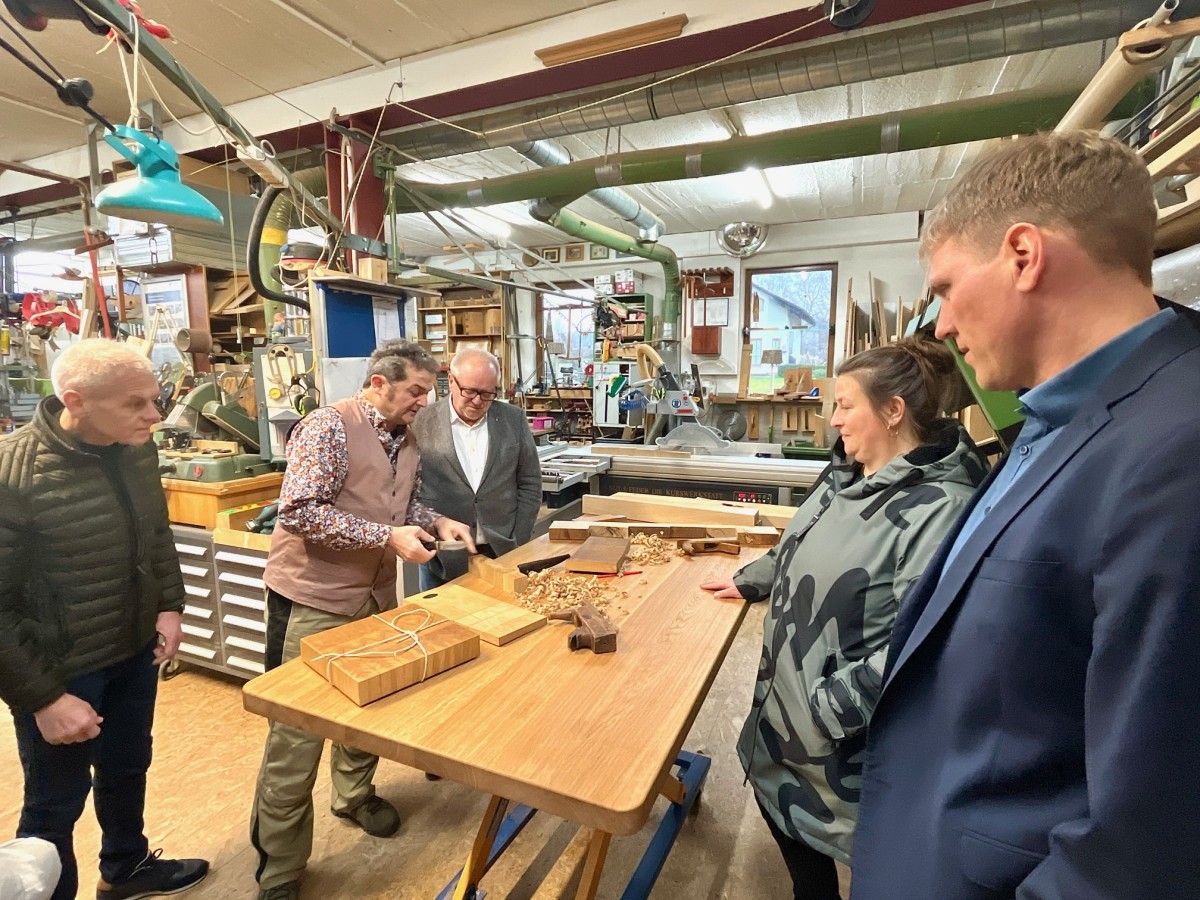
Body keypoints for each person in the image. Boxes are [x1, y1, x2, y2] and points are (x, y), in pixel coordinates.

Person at [849, 131, 1200, 898]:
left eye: (944, 288)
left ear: (1022, 255)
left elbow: (1149, 846)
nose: (938, 326)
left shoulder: (1178, 452)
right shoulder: (1056, 421)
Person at [702, 337, 985, 900]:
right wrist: (750, 579)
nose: (833, 419)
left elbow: (927, 646)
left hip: (838, 750)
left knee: (847, 861)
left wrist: (825, 708)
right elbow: (799, 543)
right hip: (783, 727)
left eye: (845, 405)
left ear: (893, 411)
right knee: (799, 856)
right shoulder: (846, 474)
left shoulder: (938, 507)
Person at [250, 339, 475, 900]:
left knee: (367, 705)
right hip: (314, 601)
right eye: (416, 391)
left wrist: (437, 521)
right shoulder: (326, 428)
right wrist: (386, 537)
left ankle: (353, 796)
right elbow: (300, 512)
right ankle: (279, 871)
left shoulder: (405, 437)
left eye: (430, 392)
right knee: (296, 737)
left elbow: (399, 509)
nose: (425, 402)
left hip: (373, 597)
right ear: (379, 383)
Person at [0, 339, 208, 900]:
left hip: (134, 650)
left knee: (126, 767)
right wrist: (44, 699)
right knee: (53, 809)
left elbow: (155, 534)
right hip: (63, 672)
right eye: (136, 403)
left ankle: (126, 866)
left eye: (155, 398)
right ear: (77, 401)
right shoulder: (11, 474)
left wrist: (169, 604)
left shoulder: (134, 449)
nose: (155, 415)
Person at [410, 348, 541, 590]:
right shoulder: (420, 421)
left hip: (502, 550)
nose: (478, 401)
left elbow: (530, 483)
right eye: (470, 391)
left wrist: (519, 538)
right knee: (442, 625)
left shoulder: (513, 419)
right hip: (443, 556)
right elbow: (407, 489)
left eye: (487, 393)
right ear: (451, 380)